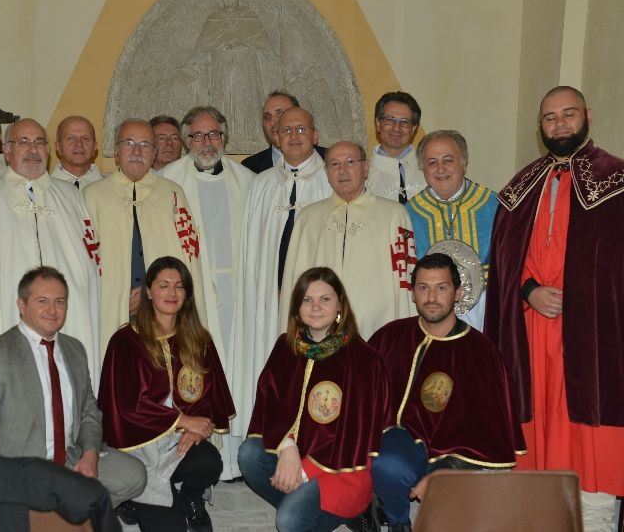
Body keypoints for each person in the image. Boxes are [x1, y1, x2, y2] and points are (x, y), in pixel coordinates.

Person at [485, 86, 624, 531]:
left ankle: (596, 522)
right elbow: (505, 261)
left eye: (568, 114)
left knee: (589, 438)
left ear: (588, 115)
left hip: (593, 338)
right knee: (534, 430)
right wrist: (528, 291)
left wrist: (582, 296)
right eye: (550, 117)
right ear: (539, 126)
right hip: (531, 334)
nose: (559, 124)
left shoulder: (616, 181)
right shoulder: (520, 186)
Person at [0, 266, 146, 511]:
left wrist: (90, 454)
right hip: (16, 464)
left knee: (133, 476)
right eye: (42, 301)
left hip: (68, 458)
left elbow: (88, 412)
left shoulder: (75, 350)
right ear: (22, 305)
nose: (52, 310)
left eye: (59, 302)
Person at [369, 253, 525, 532]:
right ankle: (397, 521)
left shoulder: (482, 353)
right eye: (423, 288)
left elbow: (489, 435)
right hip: (403, 445)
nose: (431, 297)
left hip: (456, 458)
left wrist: (442, 474)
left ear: (457, 293)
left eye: (441, 288)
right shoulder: (389, 337)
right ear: (413, 293)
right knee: (388, 463)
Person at [239, 267, 388, 532]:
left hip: (342, 468)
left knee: (288, 522)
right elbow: (269, 405)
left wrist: (304, 470)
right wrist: (287, 447)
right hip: (295, 452)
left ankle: (356, 509)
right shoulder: (285, 347)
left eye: (325, 299)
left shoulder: (363, 359)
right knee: (249, 455)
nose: (316, 307)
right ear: (297, 308)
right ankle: (301, 502)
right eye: (307, 299)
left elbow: (356, 433)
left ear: (340, 305)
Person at [98, 257, 235, 532]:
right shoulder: (126, 340)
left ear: (187, 294)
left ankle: (190, 496)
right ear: (149, 291)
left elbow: (211, 393)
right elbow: (128, 406)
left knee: (209, 462)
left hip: (178, 441)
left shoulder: (198, 338)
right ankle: (132, 494)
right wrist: (183, 421)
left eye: (179, 286)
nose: (172, 293)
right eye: (164, 285)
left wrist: (197, 428)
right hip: (137, 447)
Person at [0, 118, 102, 385]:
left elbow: (89, 261)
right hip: (9, 312)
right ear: (6, 151)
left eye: (39, 142)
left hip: (69, 316)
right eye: (23, 142)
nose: (33, 149)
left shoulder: (71, 197)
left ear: (48, 151)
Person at [228, 106, 331, 438]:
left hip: (315, 307)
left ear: (316, 135)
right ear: (276, 137)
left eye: (301, 129)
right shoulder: (262, 184)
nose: (293, 136)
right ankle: (267, 440)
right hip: (268, 303)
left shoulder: (331, 181)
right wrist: (260, 290)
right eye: (286, 131)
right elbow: (251, 249)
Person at [162, 106, 254, 479]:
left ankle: (234, 461)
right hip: (192, 293)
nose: (206, 142)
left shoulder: (247, 180)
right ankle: (196, 462)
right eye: (198, 136)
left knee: (234, 369)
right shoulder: (170, 180)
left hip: (237, 291)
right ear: (186, 141)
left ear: (224, 137)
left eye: (213, 134)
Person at [83, 119, 206, 353]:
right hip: (111, 312)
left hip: (164, 313)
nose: (137, 152)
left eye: (145, 145)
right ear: (116, 152)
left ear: (154, 153)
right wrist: (118, 295)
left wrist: (152, 296)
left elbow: (189, 260)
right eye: (129, 143)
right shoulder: (93, 196)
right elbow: (86, 263)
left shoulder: (172, 194)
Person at [280, 141, 416, 340]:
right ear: (326, 172)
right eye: (334, 164)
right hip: (319, 329)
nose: (342, 170)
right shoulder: (309, 217)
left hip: (378, 327)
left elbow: (406, 281)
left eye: (350, 162)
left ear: (366, 167)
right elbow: (294, 279)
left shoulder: (394, 214)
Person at [406, 130, 498, 330]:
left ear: (464, 164)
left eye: (448, 160)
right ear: (423, 169)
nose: (440, 169)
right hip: (430, 310)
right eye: (432, 162)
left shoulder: (494, 206)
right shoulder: (409, 213)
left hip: (483, 308)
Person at [241, 90, 327, 174]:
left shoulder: (331, 160)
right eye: (267, 117)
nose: (272, 122)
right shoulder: (249, 168)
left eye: (280, 113)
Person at [365, 92, 426, 203]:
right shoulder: (362, 174)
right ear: (378, 124)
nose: (396, 128)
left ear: (413, 128)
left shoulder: (430, 168)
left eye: (404, 122)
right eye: (389, 120)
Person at [51, 115, 104, 191]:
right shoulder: (43, 190)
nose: (79, 144)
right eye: (71, 138)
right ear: (58, 147)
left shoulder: (111, 190)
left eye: (85, 138)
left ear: (94, 147)